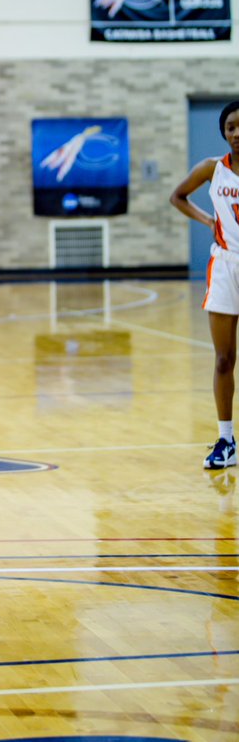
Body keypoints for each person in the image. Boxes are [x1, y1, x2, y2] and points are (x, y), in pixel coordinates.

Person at [170, 99, 239, 470]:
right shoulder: (212, 169)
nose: (237, 133)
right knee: (224, 358)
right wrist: (207, 221)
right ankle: (227, 439)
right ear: (223, 132)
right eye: (231, 127)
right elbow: (177, 196)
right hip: (226, 268)